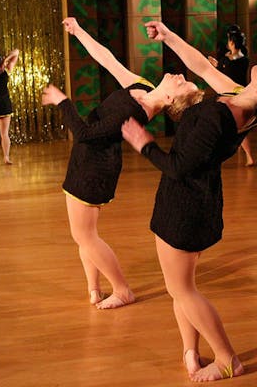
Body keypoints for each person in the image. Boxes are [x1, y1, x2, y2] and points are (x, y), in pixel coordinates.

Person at [121, 20, 257, 382]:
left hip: (184, 207)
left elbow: (175, 167)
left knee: (182, 290)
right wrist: (169, 36)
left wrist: (142, 142)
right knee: (181, 287)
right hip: (197, 199)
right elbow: (204, 67)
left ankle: (227, 359)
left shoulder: (217, 117)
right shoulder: (243, 101)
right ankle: (191, 351)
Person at [41, 17, 204, 310]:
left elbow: (84, 134)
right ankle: (94, 288)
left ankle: (122, 289)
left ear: (169, 99)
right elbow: (107, 59)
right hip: (86, 163)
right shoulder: (142, 86)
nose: (179, 76)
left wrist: (62, 101)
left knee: (85, 236)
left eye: (181, 84)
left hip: (94, 170)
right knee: (83, 235)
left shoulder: (134, 114)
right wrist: (79, 30)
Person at [208, 25, 254, 166]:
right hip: (241, 92)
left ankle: (249, 157)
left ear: (232, 42)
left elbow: (224, 73)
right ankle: (246, 154)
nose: (227, 43)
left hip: (230, 95)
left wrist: (215, 65)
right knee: (239, 125)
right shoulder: (243, 58)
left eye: (229, 40)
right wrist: (219, 64)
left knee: (237, 127)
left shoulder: (227, 60)